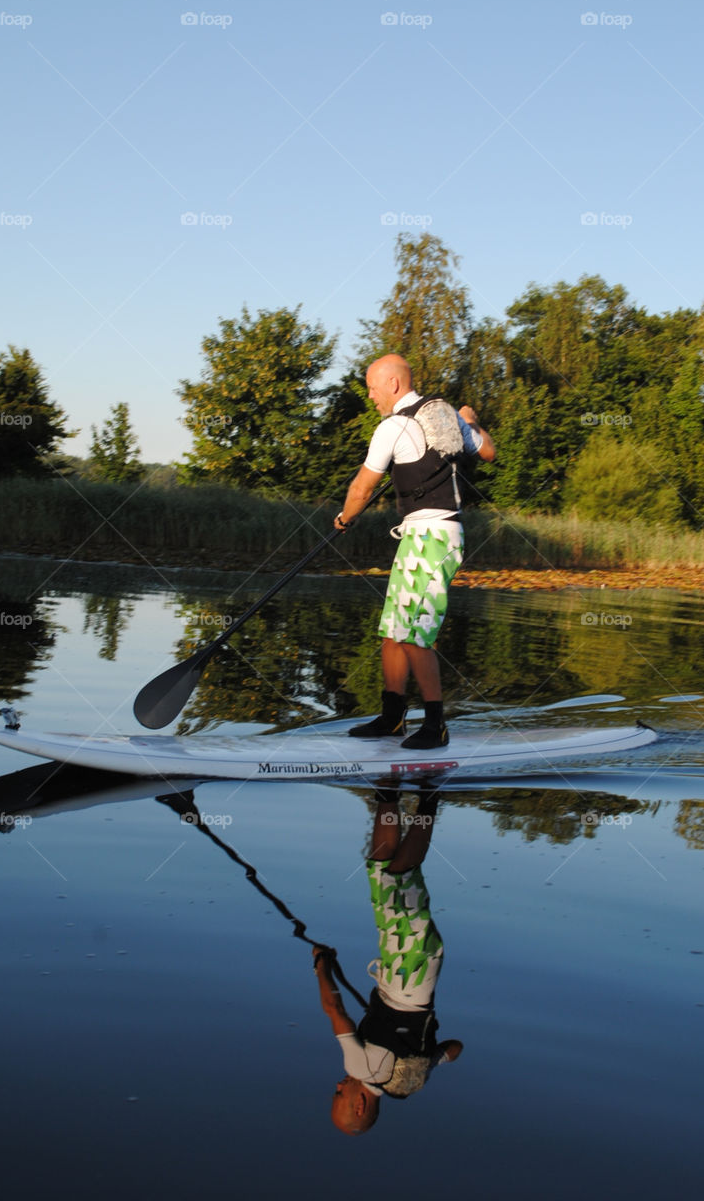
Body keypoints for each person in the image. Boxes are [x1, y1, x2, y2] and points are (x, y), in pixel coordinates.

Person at [334, 353, 495, 749]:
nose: (370, 396)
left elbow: (361, 488)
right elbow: (487, 450)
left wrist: (344, 519)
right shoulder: (446, 416)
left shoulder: (392, 427)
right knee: (393, 631)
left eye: (372, 387)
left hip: (434, 537)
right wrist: (471, 421)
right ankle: (392, 719)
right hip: (419, 535)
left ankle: (435, 726)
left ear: (393, 384)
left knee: (416, 634)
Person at [313, 789, 463, 1136]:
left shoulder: (408, 1080)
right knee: (401, 875)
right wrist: (321, 963)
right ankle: (430, 795)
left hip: (415, 971)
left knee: (380, 869)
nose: (337, 1084)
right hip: (407, 969)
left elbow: (456, 1049)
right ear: (359, 1104)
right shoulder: (362, 1072)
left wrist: (427, 1062)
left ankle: (388, 792)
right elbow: (333, 1009)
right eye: (339, 1094)